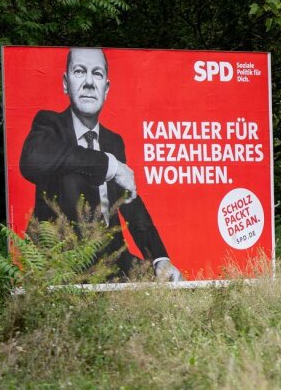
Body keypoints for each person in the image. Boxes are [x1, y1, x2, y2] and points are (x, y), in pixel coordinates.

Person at [19, 47, 181, 281]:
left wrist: (160, 259)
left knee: (170, 286)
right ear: (66, 83)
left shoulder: (113, 141)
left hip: (112, 260)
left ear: (105, 89)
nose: (88, 82)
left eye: (97, 74)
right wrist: (110, 165)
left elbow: (131, 205)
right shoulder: (49, 124)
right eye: (79, 72)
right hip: (59, 263)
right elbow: (31, 160)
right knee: (70, 174)